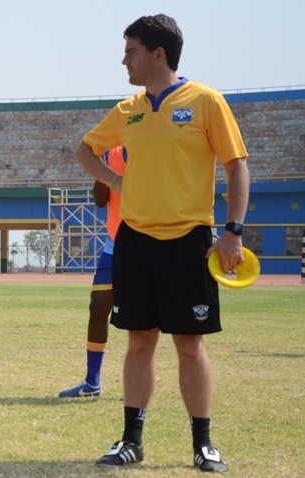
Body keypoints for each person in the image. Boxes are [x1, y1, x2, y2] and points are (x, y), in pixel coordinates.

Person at [74, 14, 248, 473]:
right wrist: (116, 181)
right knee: (138, 342)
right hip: (134, 240)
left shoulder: (206, 101)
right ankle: (131, 441)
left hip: (189, 241)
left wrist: (233, 231)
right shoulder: (128, 109)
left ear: (158, 53)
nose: (123, 60)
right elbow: (84, 149)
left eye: (130, 51)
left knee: (190, 345)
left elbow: (236, 167)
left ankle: (203, 444)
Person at [59, 146, 126, 398]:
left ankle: (135, 384)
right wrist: (101, 169)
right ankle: (92, 382)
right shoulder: (111, 154)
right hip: (114, 243)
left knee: (140, 317)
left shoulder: (150, 146)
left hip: (146, 243)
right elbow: (100, 201)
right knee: (98, 306)